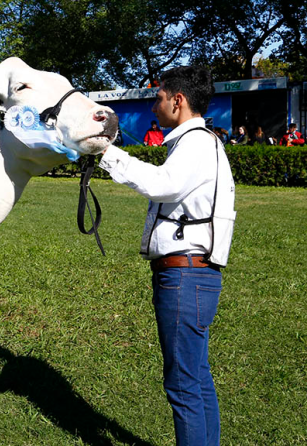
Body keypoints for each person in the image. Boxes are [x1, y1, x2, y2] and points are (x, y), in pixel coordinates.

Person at [99, 65, 235, 446]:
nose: (154, 103)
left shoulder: (195, 143)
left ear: (178, 101)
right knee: (196, 378)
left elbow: (163, 184)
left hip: (184, 276)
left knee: (184, 386)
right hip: (195, 274)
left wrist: (108, 153)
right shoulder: (204, 141)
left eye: (159, 97)